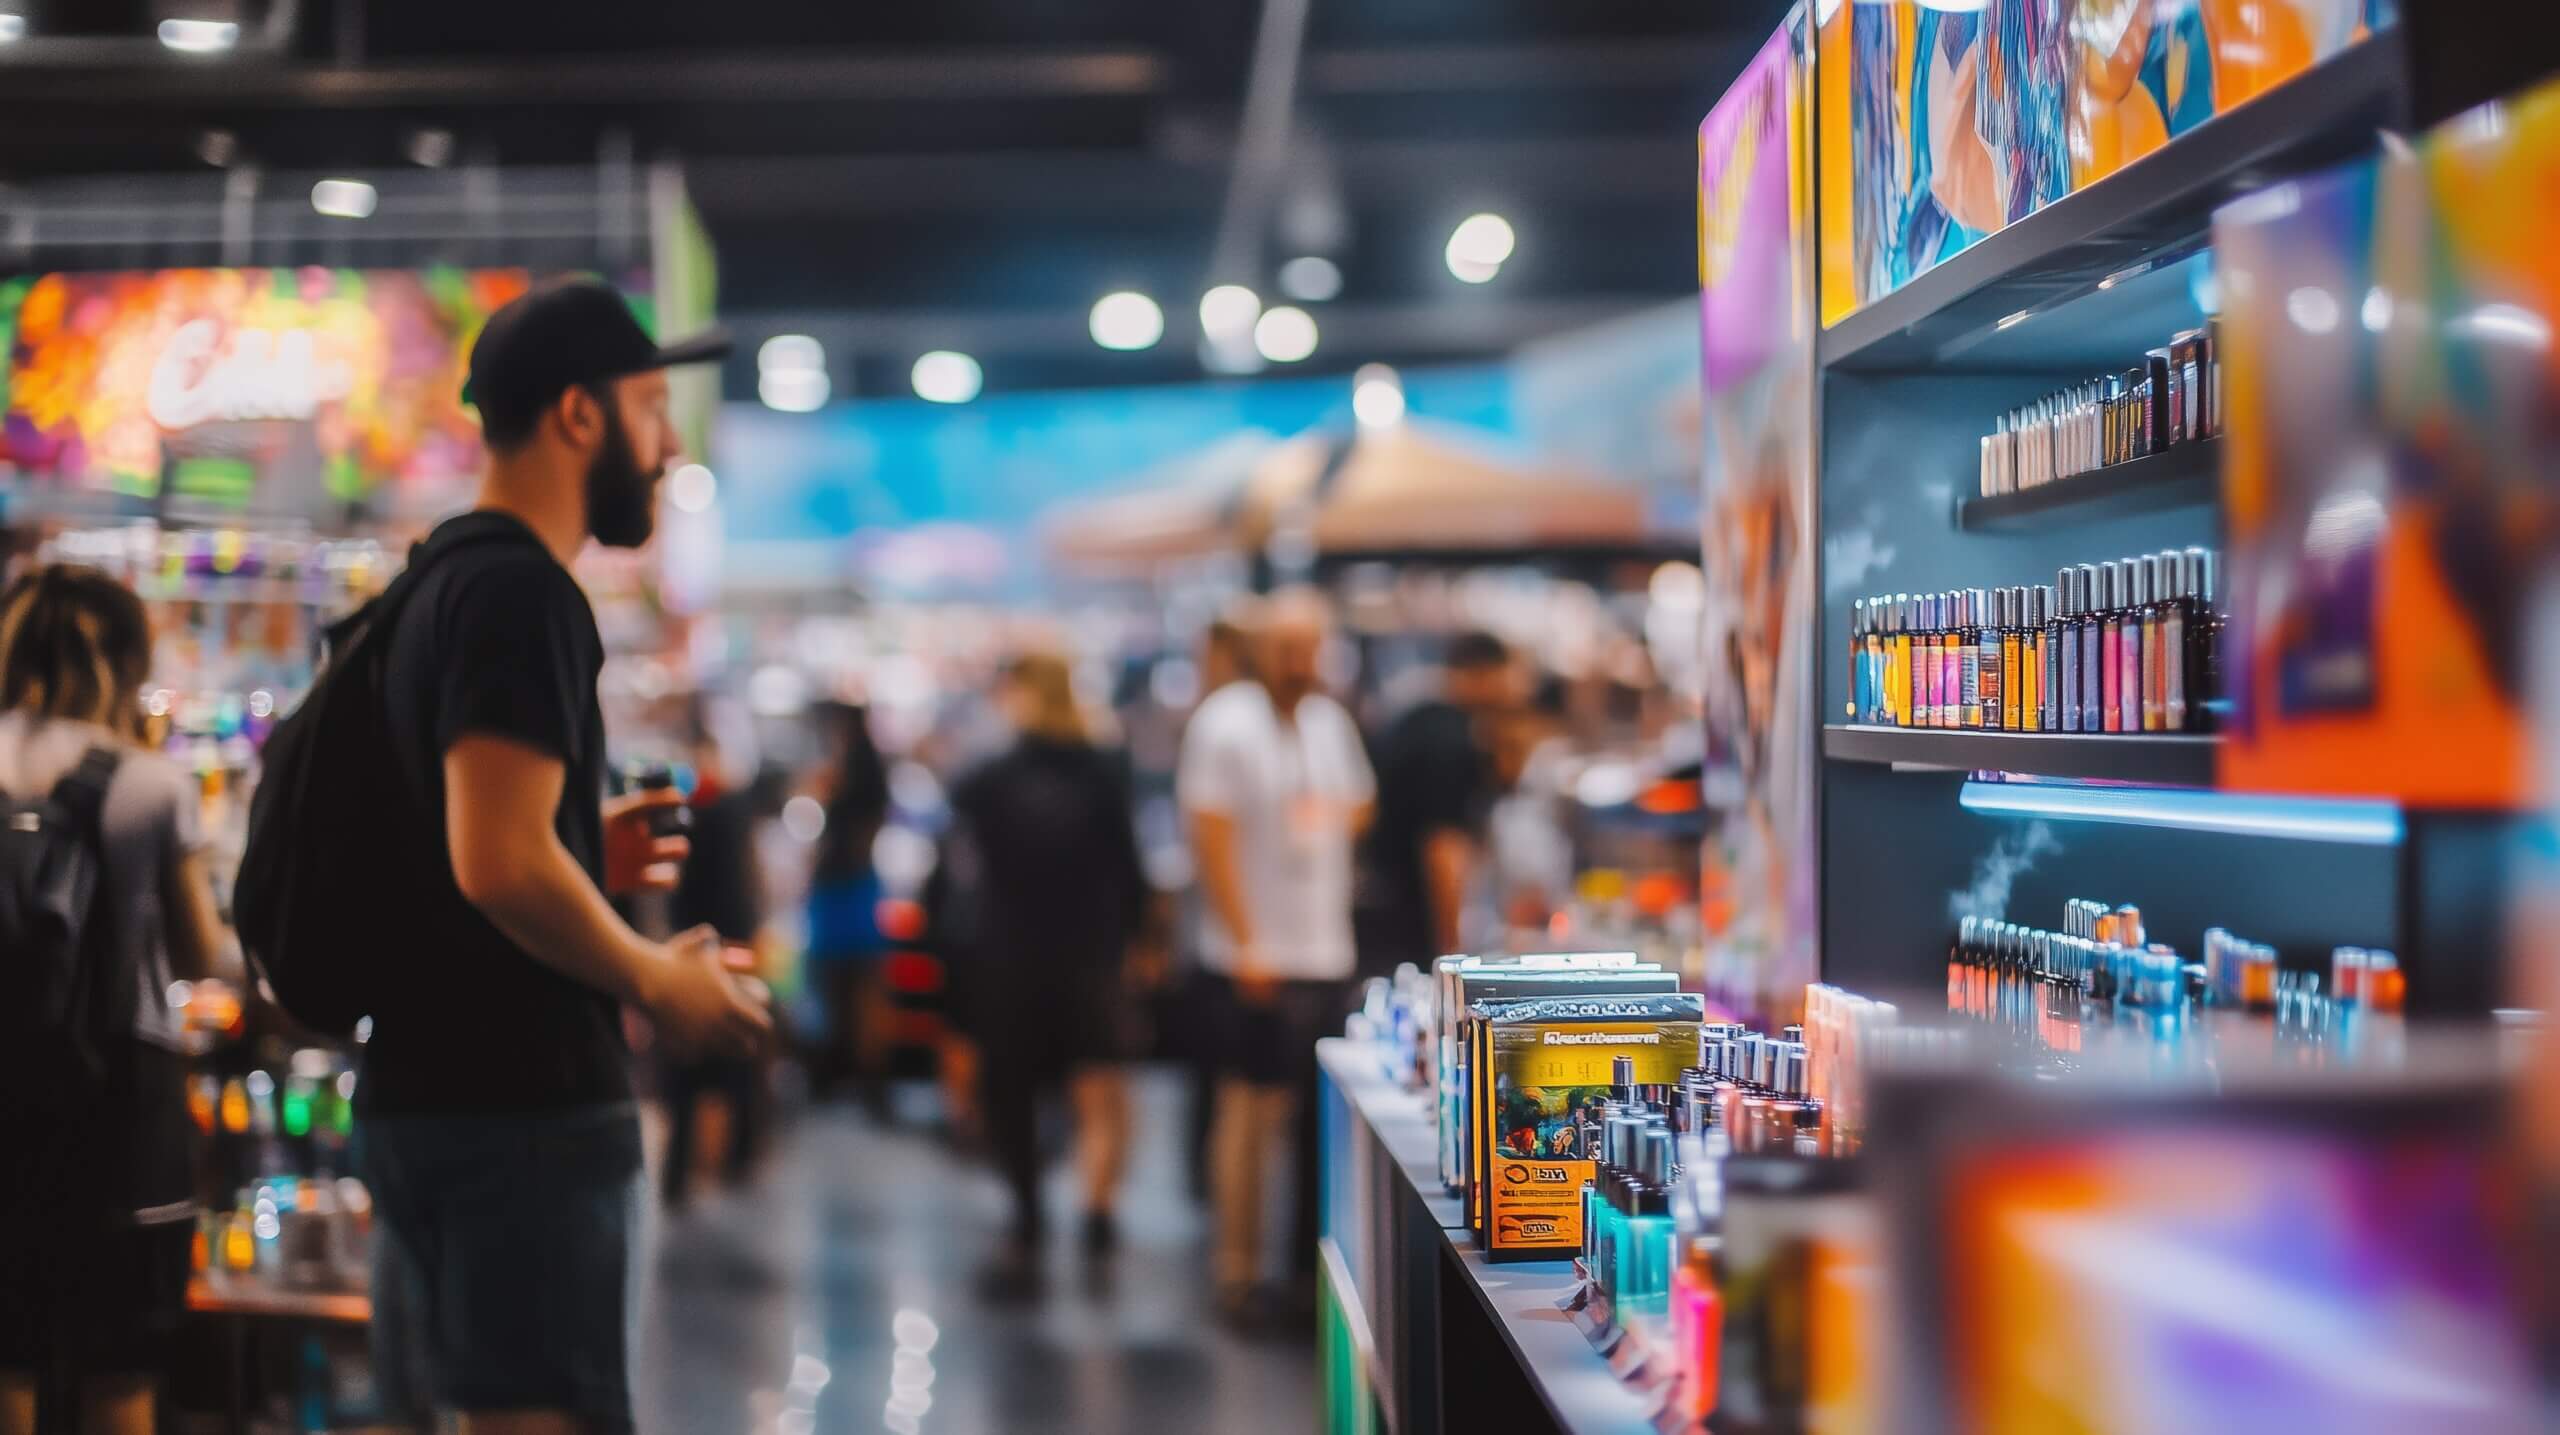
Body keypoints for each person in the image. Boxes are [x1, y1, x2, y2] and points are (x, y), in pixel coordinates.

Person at [357, 279, 769, 1435]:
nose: (669, 442)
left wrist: (581, 847)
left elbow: (466, 846)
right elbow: (494, 862)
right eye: (650, 408)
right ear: (580, 417)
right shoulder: (521, 594)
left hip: (433, 1094)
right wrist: (656, 979)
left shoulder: (438, 580)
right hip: (518, 1115)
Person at [0, 566, 232, 1435]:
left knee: (10, 1350)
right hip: (123, 1101)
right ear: (126, 659)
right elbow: (197, 953)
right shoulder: (150, 783)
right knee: (119, 1367)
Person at [1177, 589, 1374, 1324]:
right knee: (1248, 1114)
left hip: (1323, 946)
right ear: (1261, 649)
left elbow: (1360, 800)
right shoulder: (1225, 723)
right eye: (1288, 646)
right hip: (1250, 957)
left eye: (1310, 645)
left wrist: (1322, 821)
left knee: (1309, 1118)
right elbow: (1209, 835)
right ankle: (1237, 1267)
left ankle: (1302, 1268)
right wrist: (1243, 936)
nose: (1301, 660)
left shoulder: (1328, 722)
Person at [942, 651, 1155, 1301]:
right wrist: (1140, 937)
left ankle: (1031, 1209)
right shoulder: (1105, 767)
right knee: (1098, 1084)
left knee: (1015, 1089)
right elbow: (1130, 864)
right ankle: (1095, 1207)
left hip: (1011, 952)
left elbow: (958, 850)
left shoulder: (991, 772)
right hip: (1087, 948)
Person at [659, 731, 785, 1209]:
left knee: (692, 1062)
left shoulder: (693, 812)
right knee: (736, 1053)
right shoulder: (731, 810)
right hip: (729, 944)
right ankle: (735, 1160)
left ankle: (684, 1172)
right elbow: (750, 884)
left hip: (696, 945)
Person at [1355, 630, 1518, 978]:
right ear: (1480, 674)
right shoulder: (1451, 740)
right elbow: (1442, 846)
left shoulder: (1419, 719)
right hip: (1408, 919)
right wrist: (1451, 949)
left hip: (1377, 906)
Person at [803, 699, 891, 1107]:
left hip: (846, 889)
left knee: (849, 986)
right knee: (853, 986)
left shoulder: (857, 770)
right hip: (851, 888)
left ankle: (853, 1076)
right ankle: (856, 1076)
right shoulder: (861, 767)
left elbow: (857, 836)